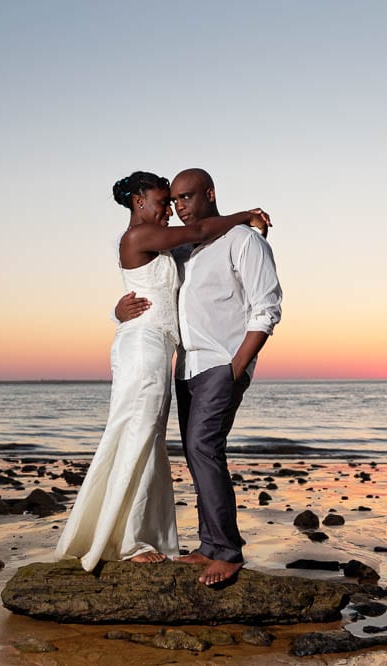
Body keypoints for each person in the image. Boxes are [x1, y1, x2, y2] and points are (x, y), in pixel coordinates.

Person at [54, 171, 270, 572]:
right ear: (138, 202)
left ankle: (151, 537)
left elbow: (180, 283)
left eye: (175, 202)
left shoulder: (182, 243)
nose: (171, 210)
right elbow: (202, 230)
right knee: (140, 436)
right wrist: (245, 214)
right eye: (163, 202)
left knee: (149, 439)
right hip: (147, 350)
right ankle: (134, 542)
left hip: (171, 353)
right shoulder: (142, 237)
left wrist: (237, 364)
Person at [115, 168, 282, 585]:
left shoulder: (244, 241)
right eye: (173, 201)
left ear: (209, 194)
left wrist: (237, 367)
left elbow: (267, 308)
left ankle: (227, 552)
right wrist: (118, 311)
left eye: (187, 198)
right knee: (195, 452)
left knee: (203, 447)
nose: (179, 208)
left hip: (220, 363)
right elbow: (151, 292)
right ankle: (210, 544)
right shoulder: (184, 249)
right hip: (184, 365)